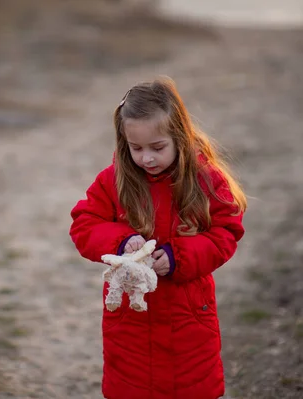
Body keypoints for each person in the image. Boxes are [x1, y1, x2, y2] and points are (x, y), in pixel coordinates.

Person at [69, 77, 247, 399]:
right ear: (124, 142)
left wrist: (181, 256)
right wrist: (121, 243)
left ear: (179, 136)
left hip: (189, 316)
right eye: (136, 148)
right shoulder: (114, 181)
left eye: (158, 147)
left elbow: (226, 231)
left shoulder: (205, 180)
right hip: (130, 321)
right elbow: (84, 223)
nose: (146, 158)